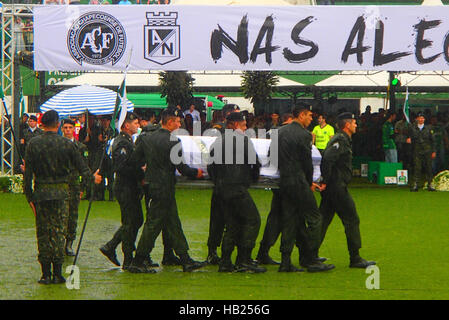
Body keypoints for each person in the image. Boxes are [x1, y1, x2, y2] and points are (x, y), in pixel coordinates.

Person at [24, 110, 101, 285]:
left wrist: (29, 197)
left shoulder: (33, 144)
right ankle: (57, 272)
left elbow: (27, 175)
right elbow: (83, 169)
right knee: (59, 232)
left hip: (41, 193)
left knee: (43, 232)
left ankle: (45, 273)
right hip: (61, 193)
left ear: (42, 124)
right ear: (58, 125)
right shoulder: (67, 145)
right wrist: (93, 178)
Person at [128, 108, 206, 273]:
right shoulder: (173, 141)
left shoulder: (147, 139)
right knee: (154, 225)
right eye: (177, 121)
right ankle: (138, 260)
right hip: (165, 187)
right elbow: (182, 168)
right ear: (169, 122)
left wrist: (143, 175)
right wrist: (196, 172)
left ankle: (185, 259)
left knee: (172, 223)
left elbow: (135, 161)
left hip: (153, 185)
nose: (179, 124)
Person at [277, 106, 335, 273]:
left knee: (290, 219)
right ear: (301, 115)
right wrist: (310, 182)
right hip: (299, 181)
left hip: (284, 181)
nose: (311, 119)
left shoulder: (280, 132)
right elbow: (307, 163)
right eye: (309, 116)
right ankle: (310, 259)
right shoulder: (304, 135)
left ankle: (285, 261)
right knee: (315, 219)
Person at [208, 112, 265, 273]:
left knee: (232, 224)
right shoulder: (243, 140)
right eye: (243, 125)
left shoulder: (218, 142)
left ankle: (225, 261)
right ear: (234, 125)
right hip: (237, 188)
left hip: (222, 189)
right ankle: (244, 259)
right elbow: (254, 162)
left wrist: (218, 181)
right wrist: (252, 179)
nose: (245, 128)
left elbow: (210, 166)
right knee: (253, 220)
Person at [319, 112, 376, 269]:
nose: (356, 125)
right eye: (354, 123)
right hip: (337, 187)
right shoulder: (341, 140)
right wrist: (326, 180)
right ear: (347, 125)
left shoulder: (342, 139)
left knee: (323, 220)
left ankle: (309, 254)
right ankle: (355, 257)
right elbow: (327, 159)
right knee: (352, 219)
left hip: (332, 187)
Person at [99, 112, 145, 270]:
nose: (137, 126)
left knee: (136, 220)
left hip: (130, 186)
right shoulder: (122, 143)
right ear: (126, 125)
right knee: (130, 221)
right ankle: (126, 257)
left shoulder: (127, 141)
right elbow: (122, 166)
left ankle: (112, 247)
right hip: (125, 186)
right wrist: (140, 171)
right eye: (135, 123)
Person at [205, 103, 240, 265]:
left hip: (226, 182)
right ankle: (213, 252)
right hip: (224, 182)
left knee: (228, 219)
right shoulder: (217, 132)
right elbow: (211, 159)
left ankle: (225, 253)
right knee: (219, 220)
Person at [256, 113, 293, 265]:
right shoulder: (287, 136)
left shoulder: (275, 135)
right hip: (287, 181)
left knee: (277, 217)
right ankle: (306, 255)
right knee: (290, 217)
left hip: (279, 180)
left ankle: (263, 252)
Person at [61, 118, 89, 256]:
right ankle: (60, 242)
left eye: (70, 128)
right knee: (60, 215)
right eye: (65, 128)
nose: (67, 130)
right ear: (61, 129)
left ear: (74, 130)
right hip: (60, 185)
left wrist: (82, 188)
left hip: (74, 185)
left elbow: (84, 169)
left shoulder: (80, 147)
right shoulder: (58, 146)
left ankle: (69, 243)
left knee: (72, 215)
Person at [407, 112, 436, 192]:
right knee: (417, 167)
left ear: (424, 119)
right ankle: (415, 184)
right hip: (417, 150)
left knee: (429, 168)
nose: (421, 119)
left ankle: (430, 184)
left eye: (422, 118)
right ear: (417, 119)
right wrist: (409, 139)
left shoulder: (429, 128)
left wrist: (433, 151)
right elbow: (410, 137)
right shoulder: (413, 128)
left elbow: (433, 140)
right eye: (419, 118)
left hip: (427, 150)